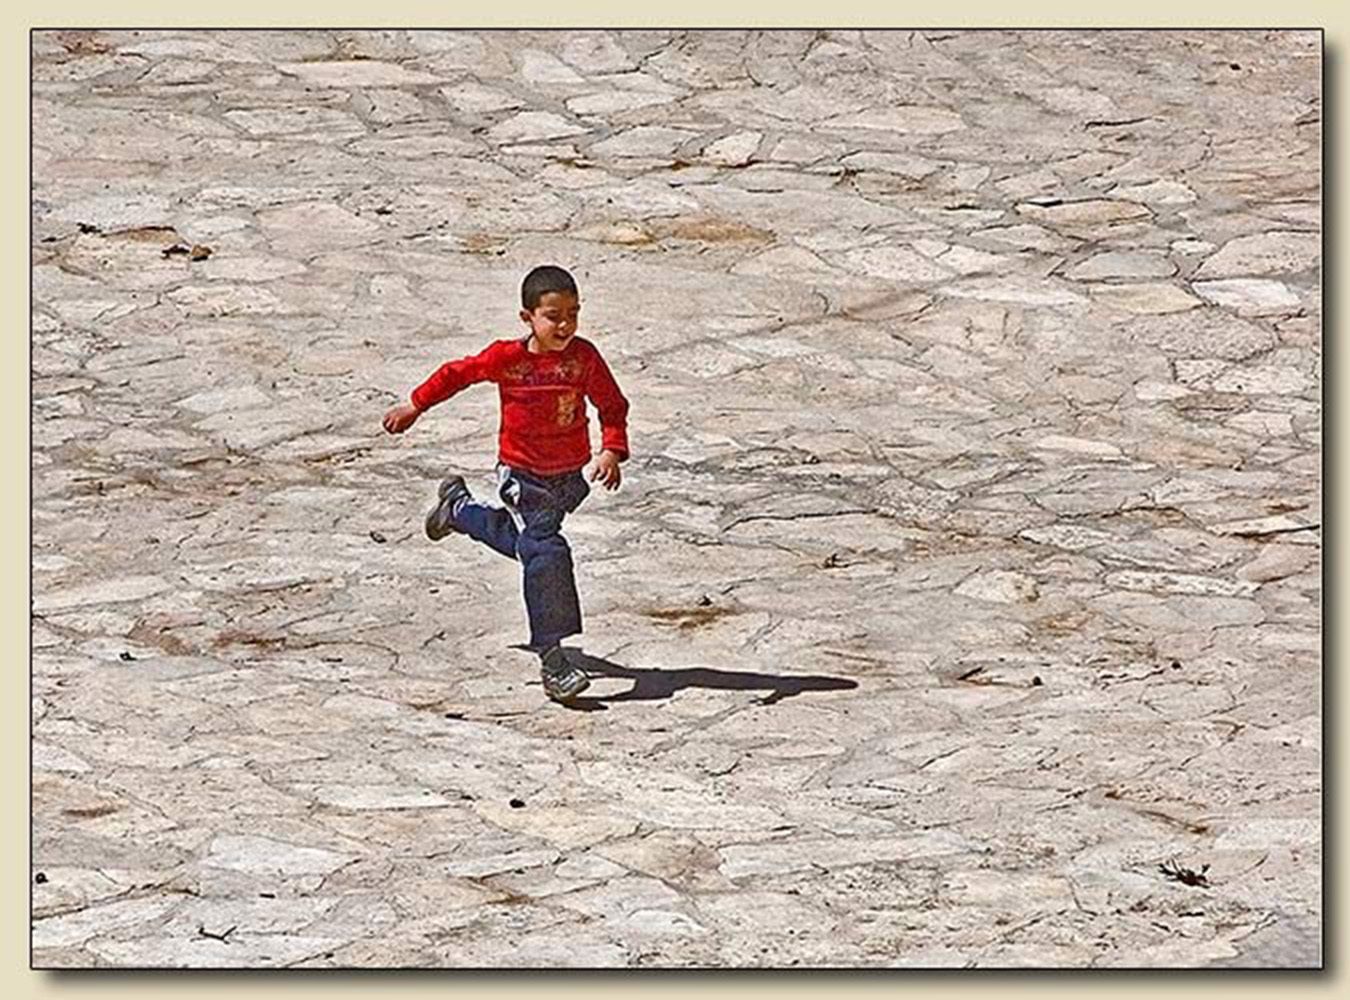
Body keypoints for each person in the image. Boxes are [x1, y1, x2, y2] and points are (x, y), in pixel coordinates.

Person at [382, 265, 629, 704]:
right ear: (527, 317)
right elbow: (458, 373)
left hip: (568, 477)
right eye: (553, 315)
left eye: (573, 313)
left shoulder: (583, 359)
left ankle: (458, 510)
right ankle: (553, 660)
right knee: (547, 551)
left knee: (527, 544)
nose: (565, 325)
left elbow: (611, 404)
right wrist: (415, 405)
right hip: (523, 473)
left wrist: (611, 449)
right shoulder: (508, 359)